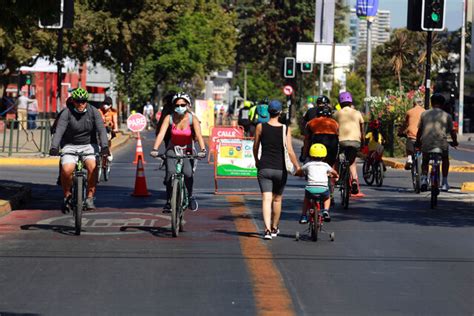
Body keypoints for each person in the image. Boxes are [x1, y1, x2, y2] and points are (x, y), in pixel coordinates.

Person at [49, 88, 109, 212]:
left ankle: (90, 197)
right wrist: (54, 146)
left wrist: (104, 146)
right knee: (66, 170)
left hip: (89, 144)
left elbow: (101, 130)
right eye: (77, 101)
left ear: (86, 101)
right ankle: (67, 196)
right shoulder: (66, 112)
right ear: (73, 101)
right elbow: (59, 130)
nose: (80, 104)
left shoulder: (94, 112)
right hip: (70, 145)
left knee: (93, 167)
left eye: (83, 101)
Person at [150, 92, 207, 212]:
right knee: (170, 174)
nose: (180, 107)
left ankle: (190, 196)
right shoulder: (169, 118)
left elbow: (199, 136)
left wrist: (203, 150)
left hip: (188, 150)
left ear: (188, 105)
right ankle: (169, 202)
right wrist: (155, 149)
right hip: (172, 149)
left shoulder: (193, 119)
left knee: (188, 173)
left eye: (182, 104)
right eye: (177, 105)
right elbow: (161, 134)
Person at [253, 100, 300, 240]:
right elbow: (290, 151)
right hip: (280, 169)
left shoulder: (260, 127)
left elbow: (255, 147)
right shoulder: (285, 129)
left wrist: (257, 161)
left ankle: (266, 230)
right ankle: (274, 228)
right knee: (277, 200)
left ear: (268, 111)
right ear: (280, 113)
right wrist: (297, 167)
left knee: (266, 199)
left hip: (264, 167)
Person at [416, 93, 458, 192]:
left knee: (425, 160)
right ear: (442, 104)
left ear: (431, 103)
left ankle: (424, 179)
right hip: (441, 143)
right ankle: (444, 182)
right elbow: (452, 132)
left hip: (426, 143)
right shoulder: (447, 115)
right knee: (445, 158)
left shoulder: (424, 114)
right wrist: (455, 142)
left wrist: (418, 142)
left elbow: (419, 131)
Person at [296, 143, 338, 224]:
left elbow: (299, 171)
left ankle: (304, 216)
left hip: (310, 190)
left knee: (306, 199)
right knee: (327, 197)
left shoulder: (308, 164)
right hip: (323, 189)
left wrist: (298, 173)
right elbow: (334, 172)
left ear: (311, 155)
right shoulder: (326, 165)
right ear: (324, 156)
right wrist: (336, 175)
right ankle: (325, 211)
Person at [334, 91, 364, 195]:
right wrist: (363, 141)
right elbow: (362, 129)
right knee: (352, 161)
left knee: (337, 158)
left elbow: (334, 129)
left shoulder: (336, 113)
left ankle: (337, 177)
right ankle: (354, 180)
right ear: (351, 102)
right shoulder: (357, 113)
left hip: (341, 141)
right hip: (356, 141)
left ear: (340, 103)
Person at [302, 96, 339, 167]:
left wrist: (304, 154)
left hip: (317, 140)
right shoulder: (334, 122)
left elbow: (306, 137)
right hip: (333, 142)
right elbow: (338, 133)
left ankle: (305, 157)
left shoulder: (311, 121)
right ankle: (334, 174)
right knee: (333, 161)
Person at [399, 96, 425, 170]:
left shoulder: (409, 112)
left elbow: (405, 124)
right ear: (422, 104)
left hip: (412, 136)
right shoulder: (425, 112)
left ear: (414, 104)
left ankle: (409, 158)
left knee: (409, 142)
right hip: (423, 137)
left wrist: (400, 132)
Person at [99, 96, 119, 162]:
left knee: (108, 137)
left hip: (108, 130)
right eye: (104, 104)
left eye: (107, 104)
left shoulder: (113, 112)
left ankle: (109, 151)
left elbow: (115, 122)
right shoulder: (99, 111)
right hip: (99, 129)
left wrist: (116, 129)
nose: (105, 106)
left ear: (110, 105)